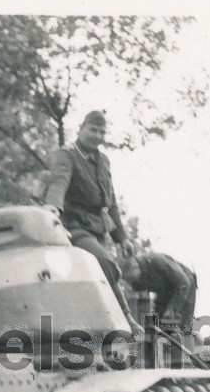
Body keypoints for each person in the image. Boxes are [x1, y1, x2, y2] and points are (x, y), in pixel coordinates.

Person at [43, 111, 141, 332]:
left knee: (101, 270)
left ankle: (118, 323)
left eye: (101, 132)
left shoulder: (103, 161)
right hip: (73, 228)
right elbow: (58, 182)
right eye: (93, 130)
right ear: (80, 129)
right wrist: (53, 207)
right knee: (104, 264)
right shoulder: (67, 155)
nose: (97, 135)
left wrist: (122, 238)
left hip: (97, 230)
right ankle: (124, 319)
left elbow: (111, 202)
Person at [121, 251, 198, 336]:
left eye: (131, 280)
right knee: (157, 325)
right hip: (165, 293)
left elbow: (184, 282)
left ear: (135, 267)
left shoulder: (156, 260)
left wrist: (172, 309)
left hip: (185, 288)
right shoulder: (139, 275)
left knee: (181, 327)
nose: (131, 283)